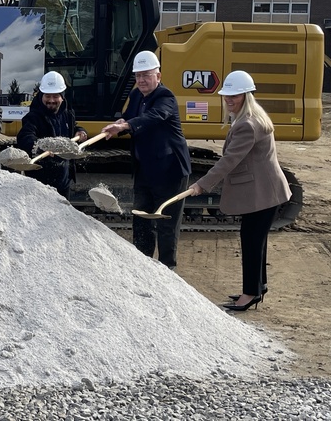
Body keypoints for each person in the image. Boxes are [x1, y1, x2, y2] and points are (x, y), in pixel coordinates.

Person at [189, 70, 290, 312]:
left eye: (235, 96)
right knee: (257, 240)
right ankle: (259, 286)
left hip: (263, 193)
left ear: (247, 95)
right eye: (227, 96)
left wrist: (201, 184)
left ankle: (250, 294)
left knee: (251, 241)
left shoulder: (247, 124)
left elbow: (229, 161)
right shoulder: (252, 117)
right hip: (267, 190)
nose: (229, 100)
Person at [101, 50, 191, 269]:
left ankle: (167, 269)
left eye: (146, 75)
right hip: (145, 170)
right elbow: (133, 118)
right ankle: (143, 267)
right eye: (138, 76)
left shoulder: (165, 97)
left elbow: (153, 117)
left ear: (158, 76)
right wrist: (121, 124)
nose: (141, 80)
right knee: (141, 220)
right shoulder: (135, 96)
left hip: (170, 171)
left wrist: (125, 125)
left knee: (166, 224)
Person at [16, 71, 88, 197]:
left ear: (62, 96)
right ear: (41, 95)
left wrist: (80, 131)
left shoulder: (67, 113)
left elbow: (72, 127)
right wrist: (42, 147)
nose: (51, 100)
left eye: (55, 96)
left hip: (64, 180)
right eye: (47, 96)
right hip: (41, 181)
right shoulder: (33, 117)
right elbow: (25, 138)